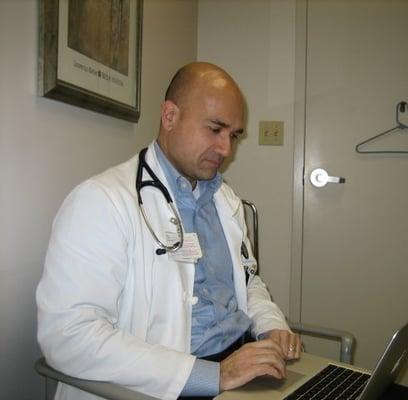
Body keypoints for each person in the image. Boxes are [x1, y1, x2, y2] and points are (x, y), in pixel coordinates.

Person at [36, 62, 301, 400]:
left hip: (245, 365)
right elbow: (68, 336)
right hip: (171, 381)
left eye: (233, 136)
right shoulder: (102, 202)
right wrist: (215, 375)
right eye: (215, 129)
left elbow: (247, 281)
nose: (226, 149)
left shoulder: (224, 200)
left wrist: (271, 325)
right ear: (170, 116)